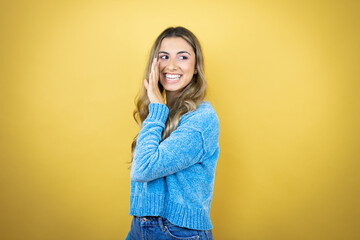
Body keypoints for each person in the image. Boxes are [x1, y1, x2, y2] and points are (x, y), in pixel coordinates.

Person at [126, 26, 219, 240]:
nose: (171, 65)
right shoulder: (163, 112)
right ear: (154, 64)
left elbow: (142, 170)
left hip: (178, 232)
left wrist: (156, 110)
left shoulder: (202, 119)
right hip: (141, 225)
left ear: (196, 67)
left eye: (183, 57)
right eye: (164, 56)